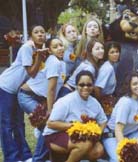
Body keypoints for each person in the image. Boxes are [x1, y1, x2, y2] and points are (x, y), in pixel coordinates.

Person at [0, 25, 46, 162]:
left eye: (42, 32)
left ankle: (25, 155)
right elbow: (31, 72)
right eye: (36, 32)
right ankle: (12, 157)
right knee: (7, 124)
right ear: (31, 36)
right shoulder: (27, 48)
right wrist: (38, 57)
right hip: (6, 87)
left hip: (18, 90)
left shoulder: (41, 51)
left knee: (19, 123)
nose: (40, 34)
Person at [17, 37, 66, 161]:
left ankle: (45, 152)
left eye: (61, 45)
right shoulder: (54, 62)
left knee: (47, 125)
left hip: (41, 98)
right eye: (55, 47)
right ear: (49, 50)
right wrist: (50, 111)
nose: (60, 48)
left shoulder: (62, 62)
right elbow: (51, 90)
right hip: (27, 96)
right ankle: (38, 159)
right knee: (47, 124)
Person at [43, 70, 107, 162]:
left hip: (80, 136)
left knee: (98, 150)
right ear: (76, 86)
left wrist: (97, 134)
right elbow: (50, 124)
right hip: (55, 135)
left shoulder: (94, 102)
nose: (85, 87)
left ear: (93, 86)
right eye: (82, 85)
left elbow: (103, 120)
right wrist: (76, 126)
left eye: (89, 85)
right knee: (85, 145)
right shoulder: (66, 101)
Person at [102, 72, 138, 162]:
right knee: (119, 159)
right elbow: (118, 130)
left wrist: (137, 143)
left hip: (131, 134)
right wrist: (126, 150)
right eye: (135, 84)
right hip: (113, 136)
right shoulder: (125, 102)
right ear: (129, 86)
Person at [94, 41, 121, 116]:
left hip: (110, 99)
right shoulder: (107, 68)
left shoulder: (111, 66)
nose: (115, 54)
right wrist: (100, 103)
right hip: (105, 101)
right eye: (112, 52)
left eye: (117, 51)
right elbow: (97, 87)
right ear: (107, 54)